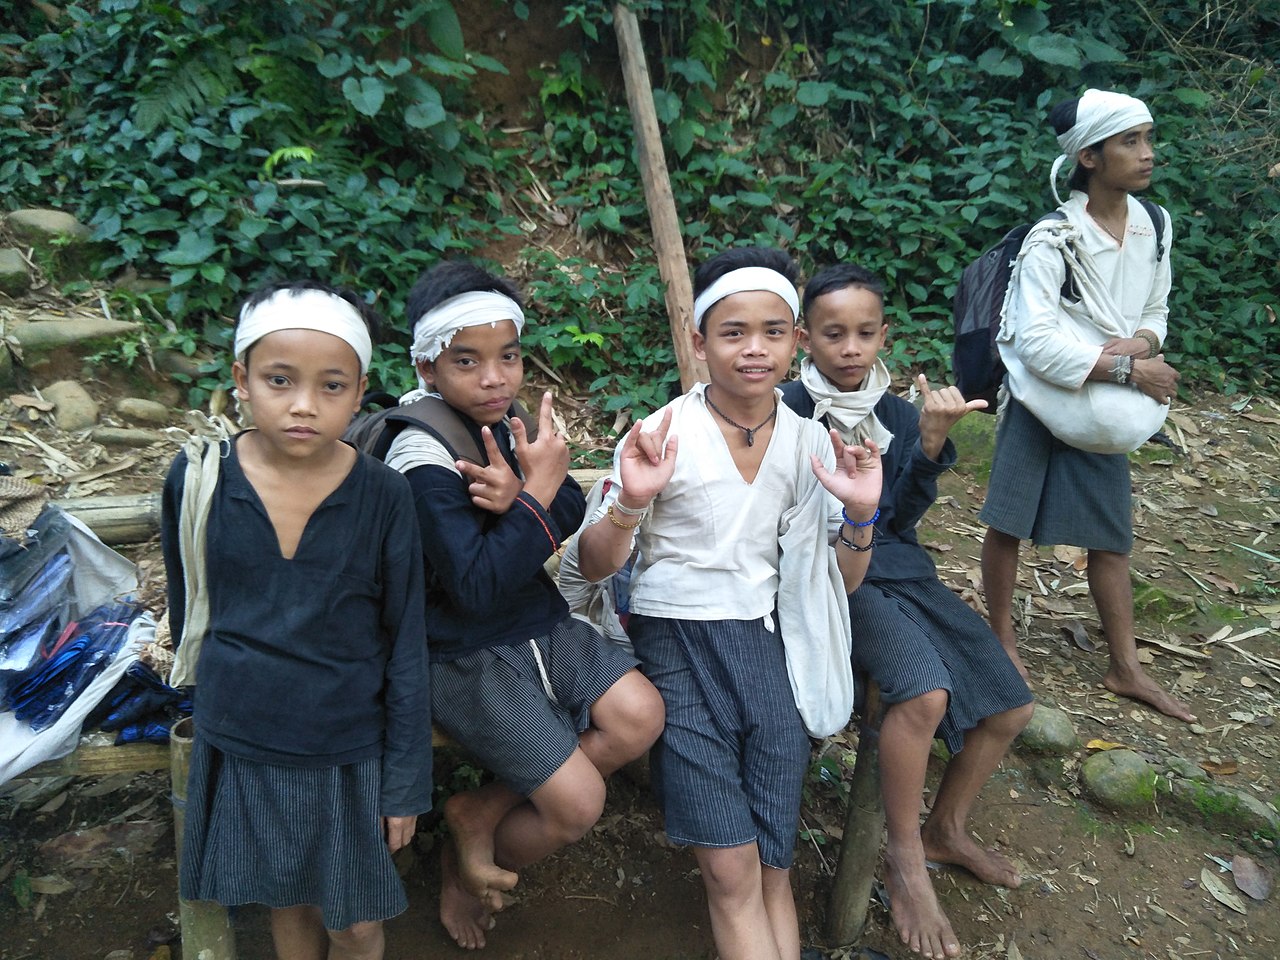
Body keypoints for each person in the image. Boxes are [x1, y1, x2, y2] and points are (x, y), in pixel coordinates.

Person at [576, 247, 883, 960]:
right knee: (728, 865)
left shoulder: (813, 443)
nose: (754, 349)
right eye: (733, 331)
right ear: (698, 341)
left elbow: (842, 583)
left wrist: (861, 516)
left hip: (771, 651)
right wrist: (631, 503)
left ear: (796, 342)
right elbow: (594, 567)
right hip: (678, 649)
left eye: (773, 332)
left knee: (773, 861)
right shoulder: (662, 435)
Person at [384, 260, 664, 950]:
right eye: (467, 361)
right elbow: (474, 584)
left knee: (640, 716)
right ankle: (469, 865)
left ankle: (478, 812)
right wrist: (532, 499)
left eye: (507, 356)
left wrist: (530, 495)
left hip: (533, 621)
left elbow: (568, 497)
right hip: (460, 650)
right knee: (578, 804)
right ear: (427, 365)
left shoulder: (503, 422)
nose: (494, 377)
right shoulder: (417, 452)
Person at [161, 280, 432, 960]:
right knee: (286, 900)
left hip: (346, 746)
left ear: (361, 389)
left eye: (332, 386)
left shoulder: (384, 495)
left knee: (356, 922)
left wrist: (403, 782)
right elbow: (188, 600)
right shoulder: (198, 481)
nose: (304, 405)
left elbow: (405, 642)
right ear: (241, 380)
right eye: (279, 379)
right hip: (247, 736)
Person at [782, 264, 1034, 960]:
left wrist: (925, 444)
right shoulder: (784, 407)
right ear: (805, 338)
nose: (852, 348)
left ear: (884, 334)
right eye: (834, 334)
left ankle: (944, 830)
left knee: (1011, 706)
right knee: (922, 690)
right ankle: (902, 855)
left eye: (866, 333)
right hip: (834, 576)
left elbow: (901, 518)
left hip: (902, 568)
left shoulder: (894, 412)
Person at [978, 89, 1195, 723]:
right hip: (1046, 398)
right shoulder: (1053, 239)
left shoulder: (1154, 225)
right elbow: (1036, 341)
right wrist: (1130, 367)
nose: (1147, 153)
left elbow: (1155, 312)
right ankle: (1000, 640)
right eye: (1130, 141)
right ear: (1090, 156)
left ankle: (1124, 666)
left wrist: (1141, 342)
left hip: (1103, 403)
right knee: (1008, 522)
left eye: (1148, 138)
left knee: (1111, 539)